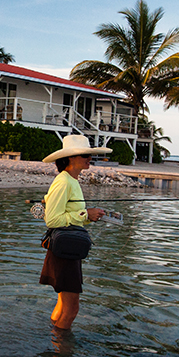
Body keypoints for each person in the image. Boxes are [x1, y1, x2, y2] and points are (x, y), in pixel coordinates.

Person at [39, 135, 111, 330]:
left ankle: (54, 339)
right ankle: (61, 355)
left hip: (67, 249)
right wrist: (84, 214)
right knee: (71, 309)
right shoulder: (63, 182)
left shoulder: (71, 180)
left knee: (63, 304)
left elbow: (69, 214)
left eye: (90, 155)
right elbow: (52, 220)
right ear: (70, 158)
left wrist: (89, 216)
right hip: (64, 251)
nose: (89, 158)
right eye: (85, 155)